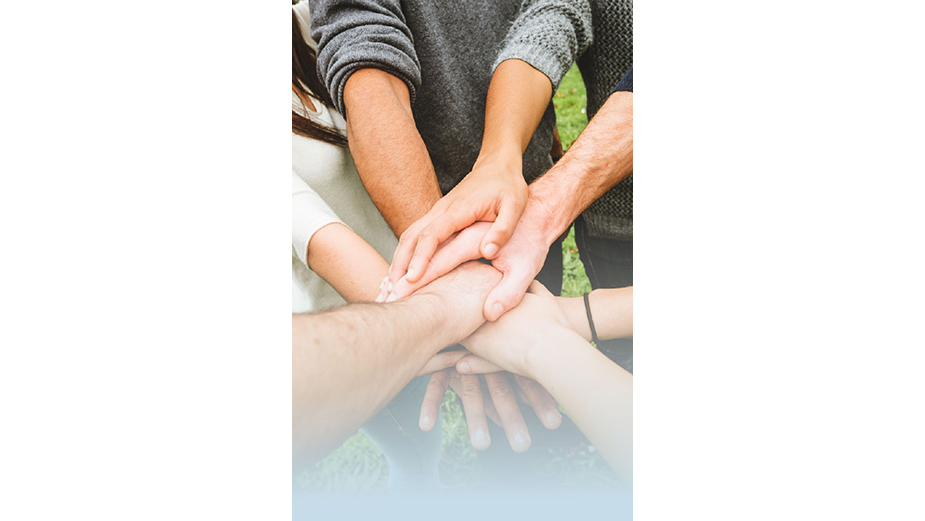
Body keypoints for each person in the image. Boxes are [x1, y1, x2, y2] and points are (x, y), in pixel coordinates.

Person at [308, 0, 588, 453]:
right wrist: (448, 263)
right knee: (503, 409)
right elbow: (363, 48)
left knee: (530, 394)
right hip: (415, 209)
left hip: (522, 210)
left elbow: (554, 10)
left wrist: (505, 154)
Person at [385, 0, 635, 369]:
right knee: (628, 363)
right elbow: (553, 17)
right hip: (614, 217)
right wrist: (498, 158)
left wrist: (544, 206)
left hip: (593, 190)